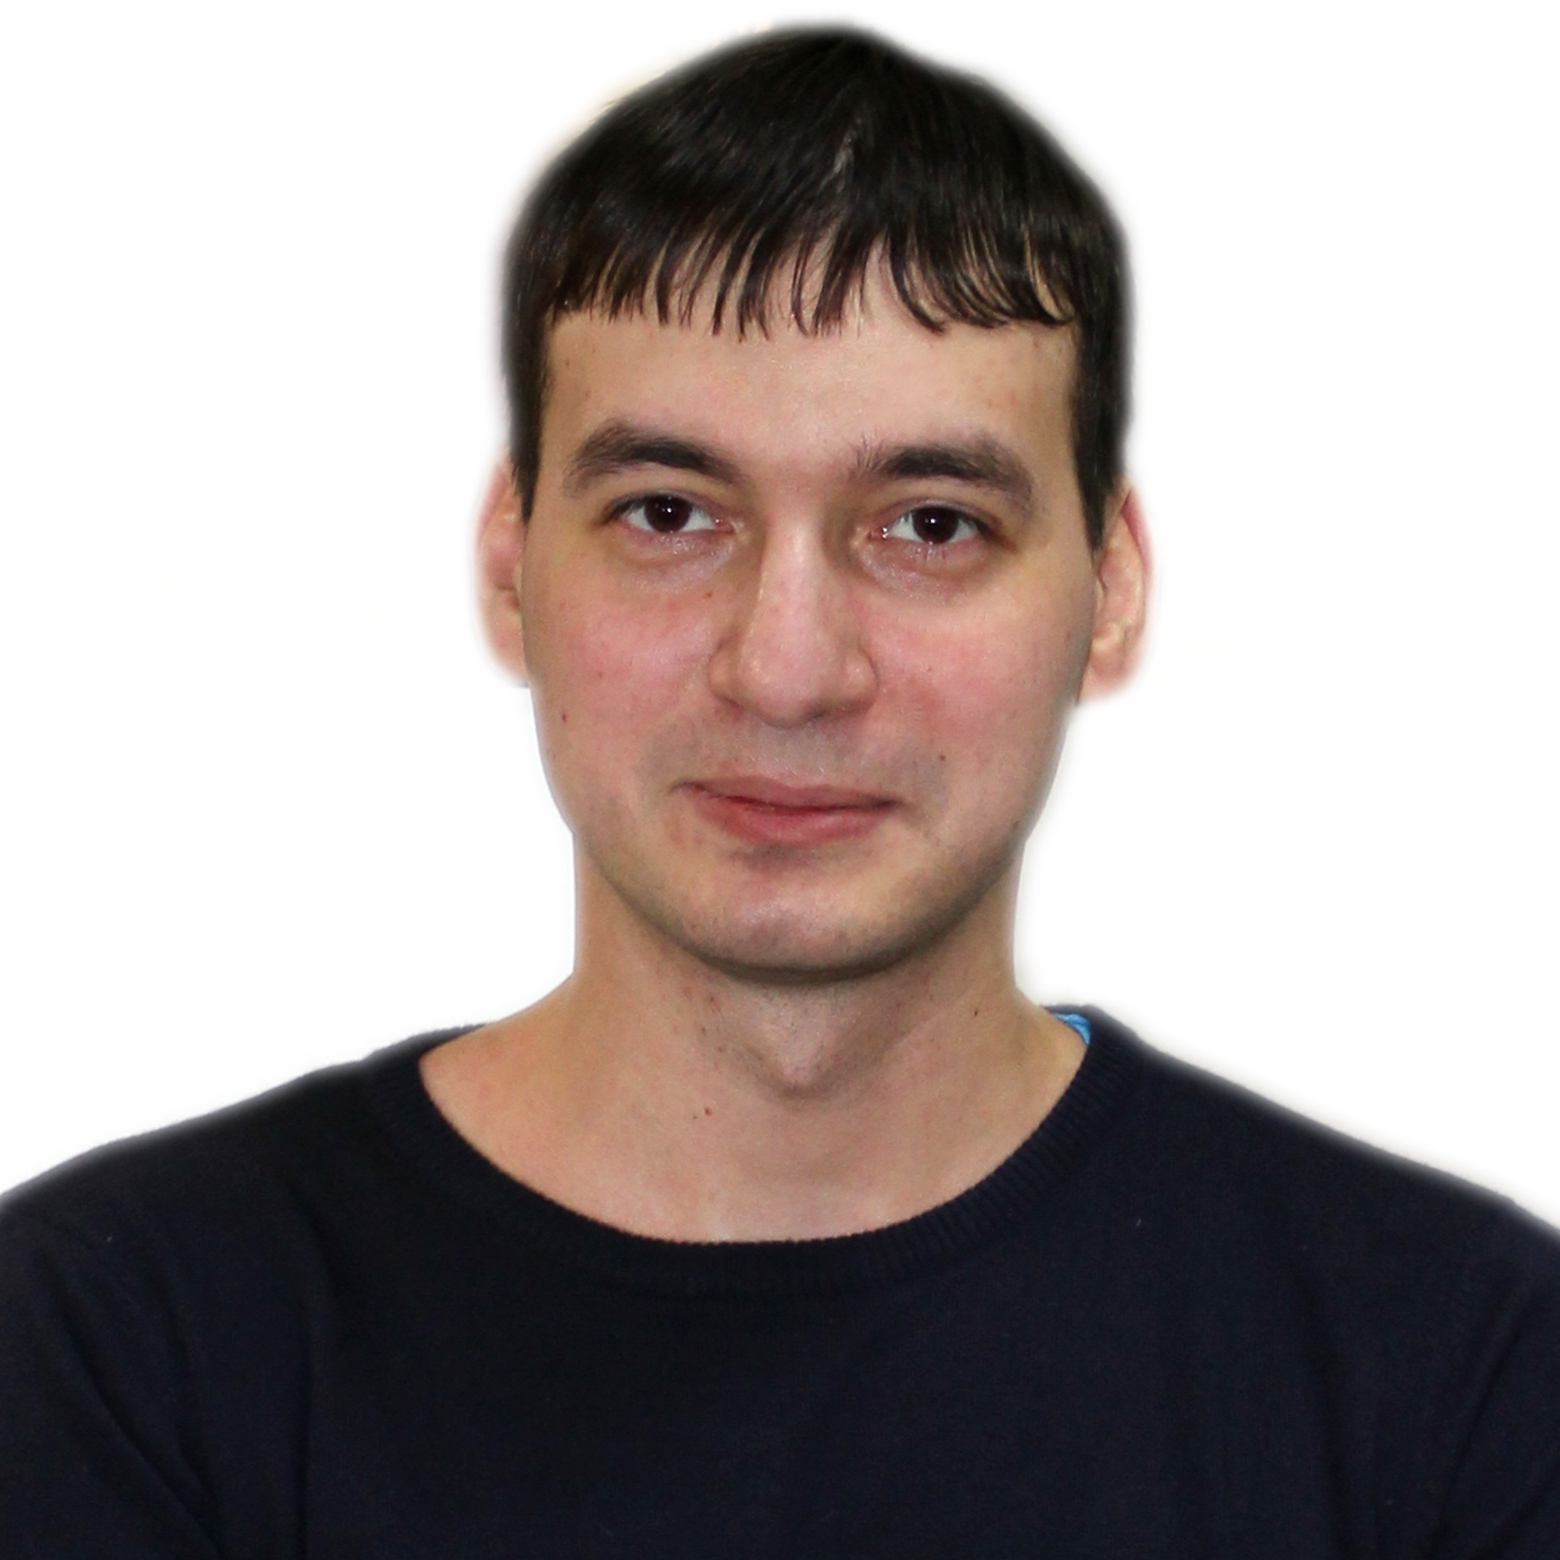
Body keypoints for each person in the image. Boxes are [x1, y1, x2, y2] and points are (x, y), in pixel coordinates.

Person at [2, 26, 1556, 1557]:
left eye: (931, 525)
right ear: (511, 565)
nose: (790, 669)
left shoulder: (1463, 1378)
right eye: (668, 513)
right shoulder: (113, 1349)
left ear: (1112, 587)